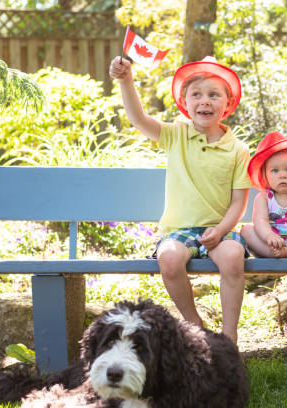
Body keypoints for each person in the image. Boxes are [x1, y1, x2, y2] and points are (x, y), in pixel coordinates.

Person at [108, 55, 251, 344]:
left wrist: (222, 231)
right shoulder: (175, 135)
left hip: (220, 231)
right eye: (196, 95)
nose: (205, 102)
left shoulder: (237, 149)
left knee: (234, 258)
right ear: (184, 103)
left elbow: (238, 202)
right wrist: (126, 81)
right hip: (179, 232)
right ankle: (194, 326)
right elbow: (138, 119)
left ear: (229, 103)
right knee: (169, 259)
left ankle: (229, 338)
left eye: (214, 95)